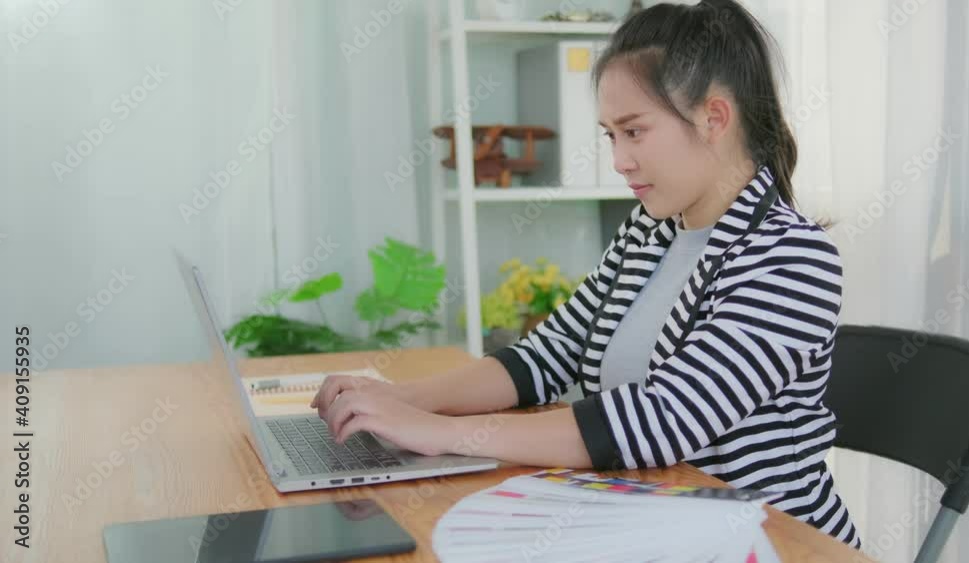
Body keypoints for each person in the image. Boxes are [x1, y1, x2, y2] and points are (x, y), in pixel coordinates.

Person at [311, 0, 860, 549]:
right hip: (654, 524)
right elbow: (547, 355)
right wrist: (405, 399)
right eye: (610, 136)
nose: (619, 160)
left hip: (772, 541)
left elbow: (663, 420)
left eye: (634, 131)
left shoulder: (793, 259)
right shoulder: (648, 232)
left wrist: (443, 434)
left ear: (714, 118)